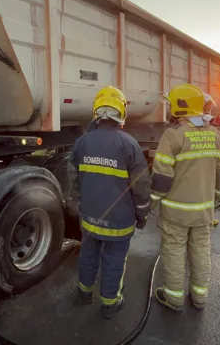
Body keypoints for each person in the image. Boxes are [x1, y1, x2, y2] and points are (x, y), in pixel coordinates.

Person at [68, 86, 152, 319]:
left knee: (88, 255)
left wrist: (78, 202)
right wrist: (142, 214)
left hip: (90, 217)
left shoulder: (82, 143)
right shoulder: (129, 144)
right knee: (114, 260)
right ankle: (110, 303)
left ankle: (83, 294)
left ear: (97, 111)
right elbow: (141, 186)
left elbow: (74, 179)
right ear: (120, 113)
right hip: (119, 220)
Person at [150, 84, 220, 312]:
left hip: (176, 212)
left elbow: (162, 179)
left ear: (179, 106)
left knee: (174, 251)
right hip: (203, 211)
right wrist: (215, 198)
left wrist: (151, 202)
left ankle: (174, 299)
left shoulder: (173, 136)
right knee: (201, 250)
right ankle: (199, 297)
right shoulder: (215, 134)